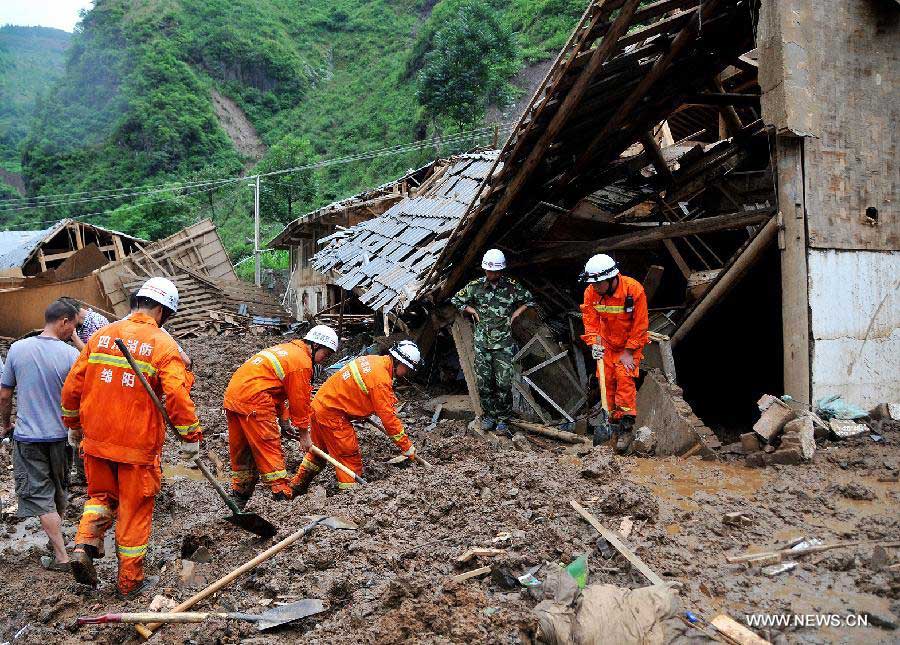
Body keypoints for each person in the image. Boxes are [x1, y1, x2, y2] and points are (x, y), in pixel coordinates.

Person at [61, 277, 201, 599]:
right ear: (164, 312)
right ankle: (129, 583)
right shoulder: (164, 345)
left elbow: (72, 387)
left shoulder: (101, 336)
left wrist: (73, 425)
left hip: (96, 441)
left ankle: (84, 544)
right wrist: (191, 436)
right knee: (134, 512)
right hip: (136, 449)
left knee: (101, 498)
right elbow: (177, 396)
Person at [0, 299, 81, 572]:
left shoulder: (17, 349)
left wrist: (5, 424)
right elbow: (82, 395)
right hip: (61, 437)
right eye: (73, 326)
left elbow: (4, 394)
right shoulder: (70, 355)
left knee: (40, 496)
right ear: (63, 322)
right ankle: (57, 540)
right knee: (59, 491)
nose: (73, 331)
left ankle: (61, 558)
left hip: (29, 438)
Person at [223, 325, 339, 508]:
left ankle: (238, 498)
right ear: (316, 346)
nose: (322, 362)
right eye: (325, 355)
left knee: (242, 451)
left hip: (234, 397)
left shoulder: (289, 350)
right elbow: (299, 401)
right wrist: (304, 435)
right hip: (255, 401)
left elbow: (275, 387)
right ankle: (282, 495)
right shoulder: (302, 363)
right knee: (269, 448)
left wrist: (284, 420)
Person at [291, 341, 420, 494]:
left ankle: (297, 486)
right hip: (333, 415)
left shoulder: (373, 360)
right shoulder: (381, 380)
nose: (406, 373)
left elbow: (356, 391)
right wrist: (407, 447)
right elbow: (389, 420)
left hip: (321, 406)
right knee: (349, 459)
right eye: (407, 368)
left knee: (317, 453)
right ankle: (349, 499)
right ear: (400, 362)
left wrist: (361, 411)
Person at [450, 249, 534, 435]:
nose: (492, 275)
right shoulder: (475, 286)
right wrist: (471, 310)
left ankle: (503, 419)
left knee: (503, 383)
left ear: (501, 271)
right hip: (482, 344)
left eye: (496, 272)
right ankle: (489, 416)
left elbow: (529, 300)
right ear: (485, 270)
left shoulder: (511, 287)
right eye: (489, 271)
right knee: (485, 383)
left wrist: (515, 314)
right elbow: (456, 299)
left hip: (503, 344)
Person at [579, 254, 648, 453]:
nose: (595, 287)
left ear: (612, 278)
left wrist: (628, 351)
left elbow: (641, 325)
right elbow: (590, 321)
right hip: (606, 344)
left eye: (598, 283)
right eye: (593, 283)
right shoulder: (591, 292)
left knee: (624, 380)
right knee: (606, 382)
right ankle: (611, 426)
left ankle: (626, 428)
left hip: (629, 345)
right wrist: (594, 343)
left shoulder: (633, 290)